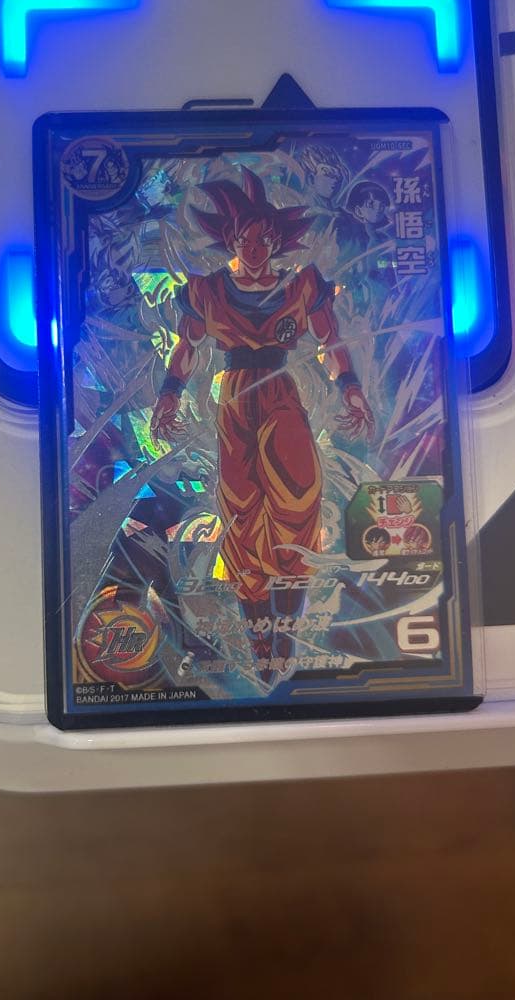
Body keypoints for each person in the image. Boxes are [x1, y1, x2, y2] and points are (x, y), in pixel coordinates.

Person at [150, 167, 374, 674]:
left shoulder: (303, 287)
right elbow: (187, 348)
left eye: (262, 240)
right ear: (231, 242)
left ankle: (286, 636)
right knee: (242, 511)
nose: (253, 249)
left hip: (279, 394)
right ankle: (260, 642)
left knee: (297, 500)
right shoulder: (206, 291)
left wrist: (352, 389)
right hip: (234, 399)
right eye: (244, 240)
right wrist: (168, 395)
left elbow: (331, 344)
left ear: (275, 242)